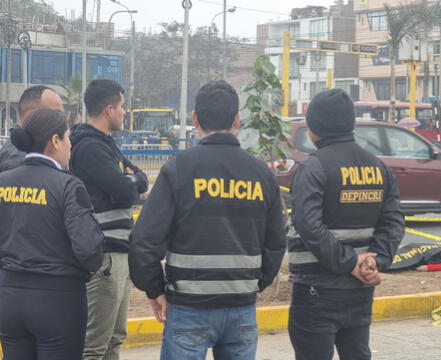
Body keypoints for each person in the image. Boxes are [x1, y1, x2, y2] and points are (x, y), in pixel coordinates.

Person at [129, 81, 286, 360]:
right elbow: (276, 242)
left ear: (195, 119)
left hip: (188, 309)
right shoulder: (261, 173)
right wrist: (254, 284)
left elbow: (143, 241)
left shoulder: (179, 168)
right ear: (237, 119)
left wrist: (155, 289)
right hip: (241, 308)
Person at [287, 89, 405, 360]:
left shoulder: (314, 166)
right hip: (361, 288)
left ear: (313, 128)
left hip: (317, 289)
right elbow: (394, 220)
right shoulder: (378, 166)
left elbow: (308, 225)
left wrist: (349, 263)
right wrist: (377, 261)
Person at [0, 108, 104, 360]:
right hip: (58, 299)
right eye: (68, 138)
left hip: (9, 296)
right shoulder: (68, 184)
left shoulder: (3, 181)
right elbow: (89, 250)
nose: (70, 145)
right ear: (55, 141)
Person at [69, 79, 148, 360]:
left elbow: (139, 177)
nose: (125, 113)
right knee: (94, 346)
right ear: (109, 109)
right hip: (105, 255)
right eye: (123, 107)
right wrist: (131, 182)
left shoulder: (106, 145)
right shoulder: (90, 147)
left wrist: (132, 180)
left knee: (114, 339)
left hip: (119, 254)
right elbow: (127, 189)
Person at [0, 85, 64, 172]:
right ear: (31, 115)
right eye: (56, 114)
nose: (62, 120)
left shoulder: (33, 150)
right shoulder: (18, 158)